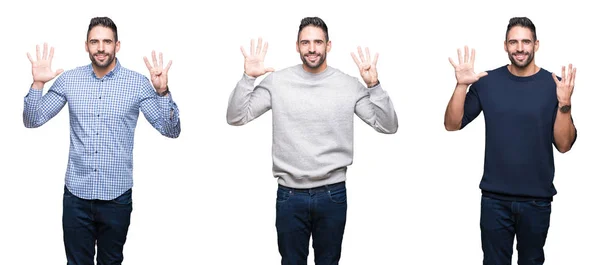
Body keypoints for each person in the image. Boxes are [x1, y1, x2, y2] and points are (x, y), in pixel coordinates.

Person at [226, 16, 398, 265]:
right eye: (305, 42)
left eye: (318, 42)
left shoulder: (348, 85)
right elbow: (236, 116)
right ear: (297, 46)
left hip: (332, 194)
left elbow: (388, 125)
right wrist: (247, 78)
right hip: (289, 195)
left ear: (328, 45)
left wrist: (374, 86)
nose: (312, 49)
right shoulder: (277, 82)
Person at [23, 16, 181, 265]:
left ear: (117, 46)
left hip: (117, 198)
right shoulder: (69, 81)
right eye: (94, 41)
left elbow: (170, 130)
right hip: (76, 196)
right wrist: (38, 84)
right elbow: (33, 120)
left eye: (107, 41)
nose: (101, 48)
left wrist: (162, 92)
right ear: (86, 45)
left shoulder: (138, 84)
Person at [443, 17, 577, 265]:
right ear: (505, 45)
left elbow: (564, 145)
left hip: (537, 200)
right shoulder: (487, 82)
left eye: (526, 42)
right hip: (495, 200)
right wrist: (461, 86)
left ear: (536, 45)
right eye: (513, 42)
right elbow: (452, 124)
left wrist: (565, 105)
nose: (520, 48)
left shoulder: (555, 85)